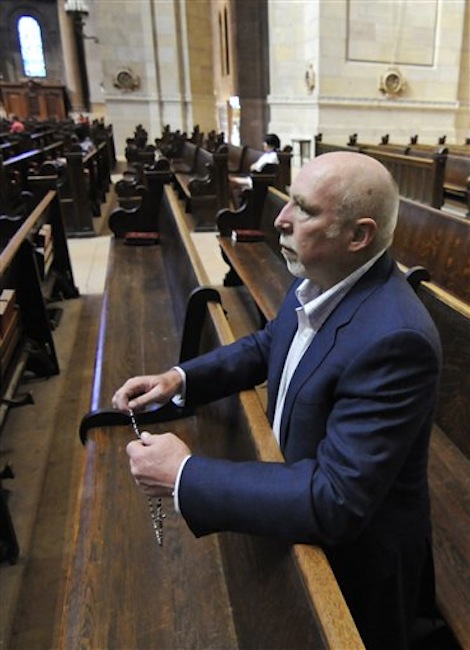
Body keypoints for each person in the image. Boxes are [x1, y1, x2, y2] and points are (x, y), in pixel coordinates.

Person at [113, 151, 442, 650]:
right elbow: (271, 344)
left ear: (359, 236)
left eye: (305, 211)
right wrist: (180, 378)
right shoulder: (321, 277)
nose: (281, 218)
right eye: (289, 202)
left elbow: (337, 499)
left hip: (356, 564)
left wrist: (185, 475)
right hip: (297, 493)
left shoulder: (396, 339)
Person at [229, 133, 281, 206]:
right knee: (232, 180)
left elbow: (258, 168)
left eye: (264, 143)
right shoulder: (268, 155)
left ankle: (237, 207)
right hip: (256, 178)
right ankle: (236, 205)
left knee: (232, 181)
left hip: (259, 181)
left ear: (268, 144)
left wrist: (254, 167)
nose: (263, 145)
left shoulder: (272, 157)